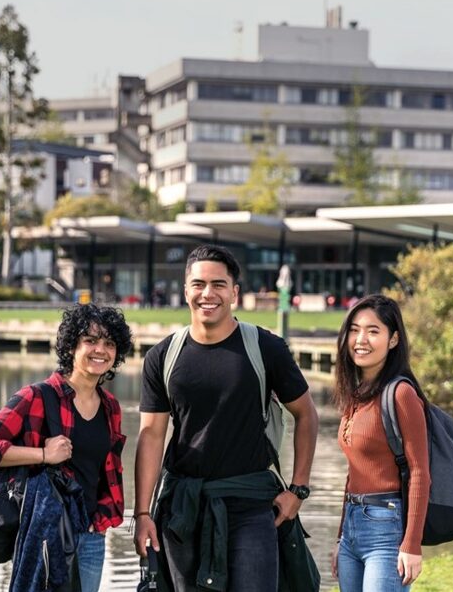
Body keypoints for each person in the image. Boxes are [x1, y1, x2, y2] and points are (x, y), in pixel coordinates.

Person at [134, 244, 319, 591]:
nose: (208, 293)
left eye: (218, 284)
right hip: (184, 508)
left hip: (252, 505)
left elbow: (306, 414)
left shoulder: (266, 348)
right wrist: (142, 513)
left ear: (234, 293)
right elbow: (151, 436)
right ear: (186, 291)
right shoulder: (162, 357)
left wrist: (298, 489)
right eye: (199, 284)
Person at [0, 304, 133, 592]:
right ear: (71, 347)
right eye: (90, 340)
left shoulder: (111, 407)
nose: (101, 350)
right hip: (45, 532)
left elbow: (108, 470)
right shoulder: (37, 396)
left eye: (109, 343)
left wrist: (101, 519)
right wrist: (43, 455)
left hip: (91, 536)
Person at [331, 294, 430, 591]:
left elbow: (420, 472)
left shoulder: (401, 394)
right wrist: (340, 538)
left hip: (386, 528)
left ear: (393, 339)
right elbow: (354, 471)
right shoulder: (355, 394)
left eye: (373, 331)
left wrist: (412, 545)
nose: (361, 339)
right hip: (352, 528)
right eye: (354, 330)